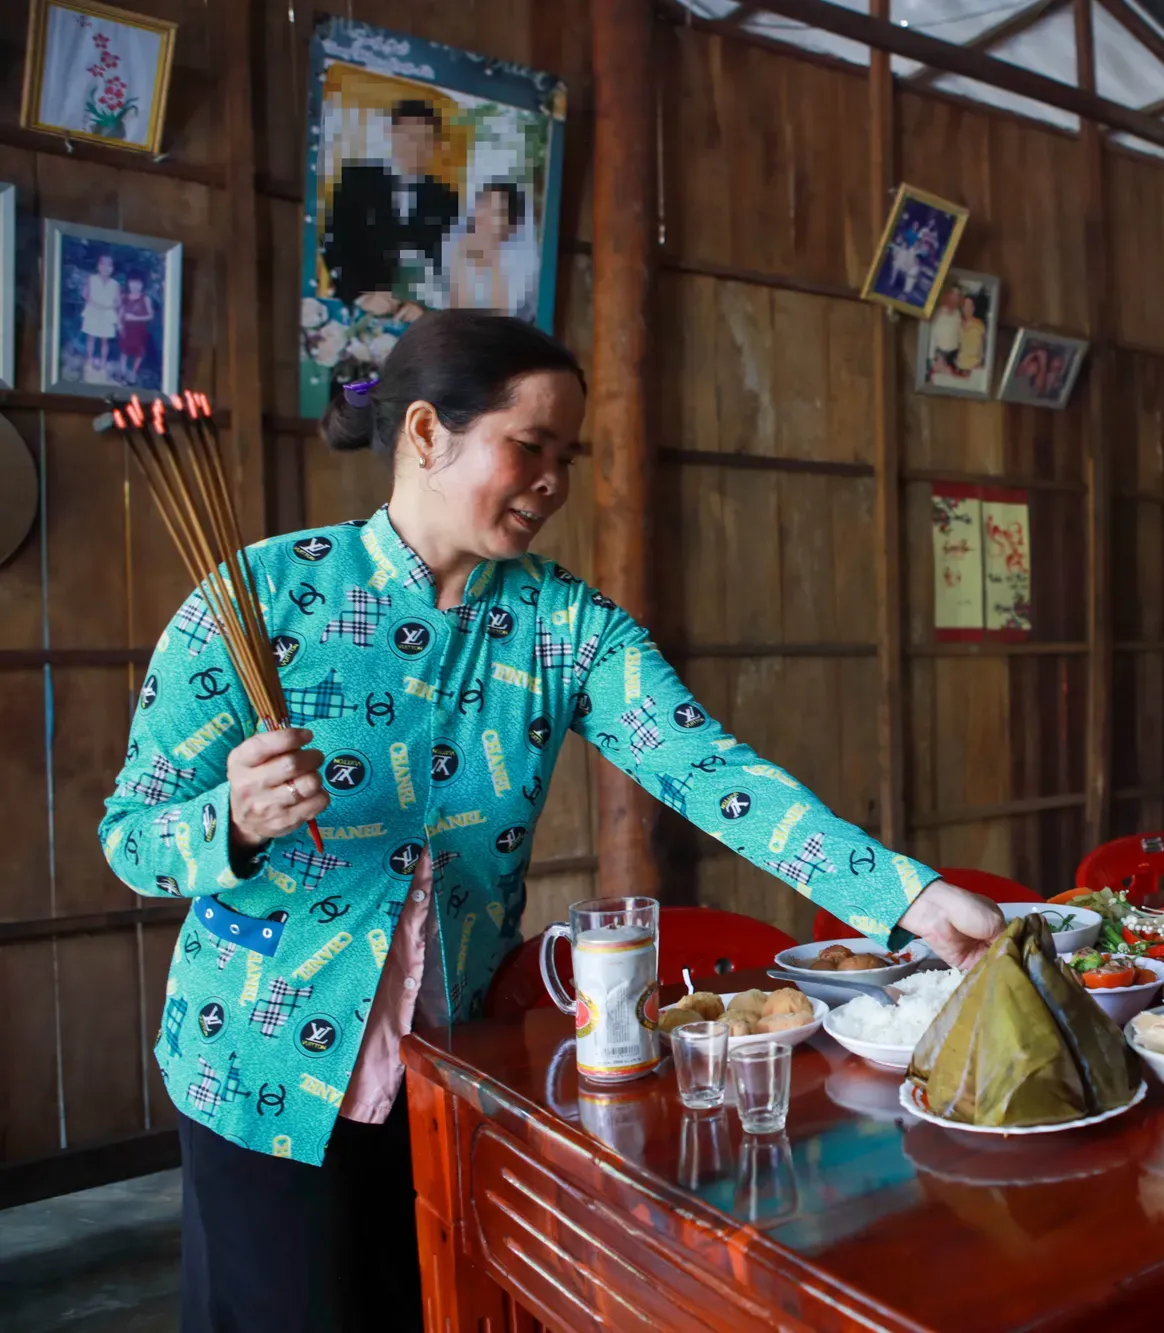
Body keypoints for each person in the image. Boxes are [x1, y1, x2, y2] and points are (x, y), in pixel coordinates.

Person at [101, 312, 1005, 1333]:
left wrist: (908, 895)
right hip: (259, 1072)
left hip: (449, 1062)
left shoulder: (563, 624)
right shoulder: (256, 597)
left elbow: (711, 771)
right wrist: (231, 818)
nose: (552, 482)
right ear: (425, 434)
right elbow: (131, 838)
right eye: (528, 446)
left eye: (564, 457)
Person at [320, 99, 460, 309]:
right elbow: (334, 241)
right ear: (392, 134)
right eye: (408, 137)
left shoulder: (447, 200)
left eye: (425, 139)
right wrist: (361, 296)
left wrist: (424, 308)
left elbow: (448, 266)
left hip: (417, 311)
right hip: (359, 304)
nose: (416, 146)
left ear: (436, 145)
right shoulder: (357, 180)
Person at [446, 182, 536, 319]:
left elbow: (503, 316)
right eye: (483, 205)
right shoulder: (461, 245)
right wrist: (462, 258)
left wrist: (493, 258)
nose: (483, 215)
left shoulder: (519, 260)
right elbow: (456, 310)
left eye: (495, 212)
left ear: (511, 225)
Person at [79, 251, 120, 378]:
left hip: (107, 313)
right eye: (103, 264)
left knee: (104, 341)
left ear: (112, 268)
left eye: (109, 265)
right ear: (98, 266)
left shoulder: (115, 284)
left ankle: (103, 363)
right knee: (91, 338)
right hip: (93, 311)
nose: (106, 268)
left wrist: (109, 306)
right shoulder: (91, 279)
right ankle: (89, 360)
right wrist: (94, 303)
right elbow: (85, 294)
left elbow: (118, 301)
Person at [117, 273, 154, 383]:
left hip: (140, 330)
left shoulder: (145, 298)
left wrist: (136, 318)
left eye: (138, 283)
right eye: (132, 282)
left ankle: (133, 373)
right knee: (124, 351)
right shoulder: (125, 298)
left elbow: (150, 315)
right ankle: (122, 372)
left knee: (139, 352)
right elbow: (121, 312)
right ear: (128, 283)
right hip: (127, 329)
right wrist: (119, 324)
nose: (135, 286)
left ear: (142, 285)